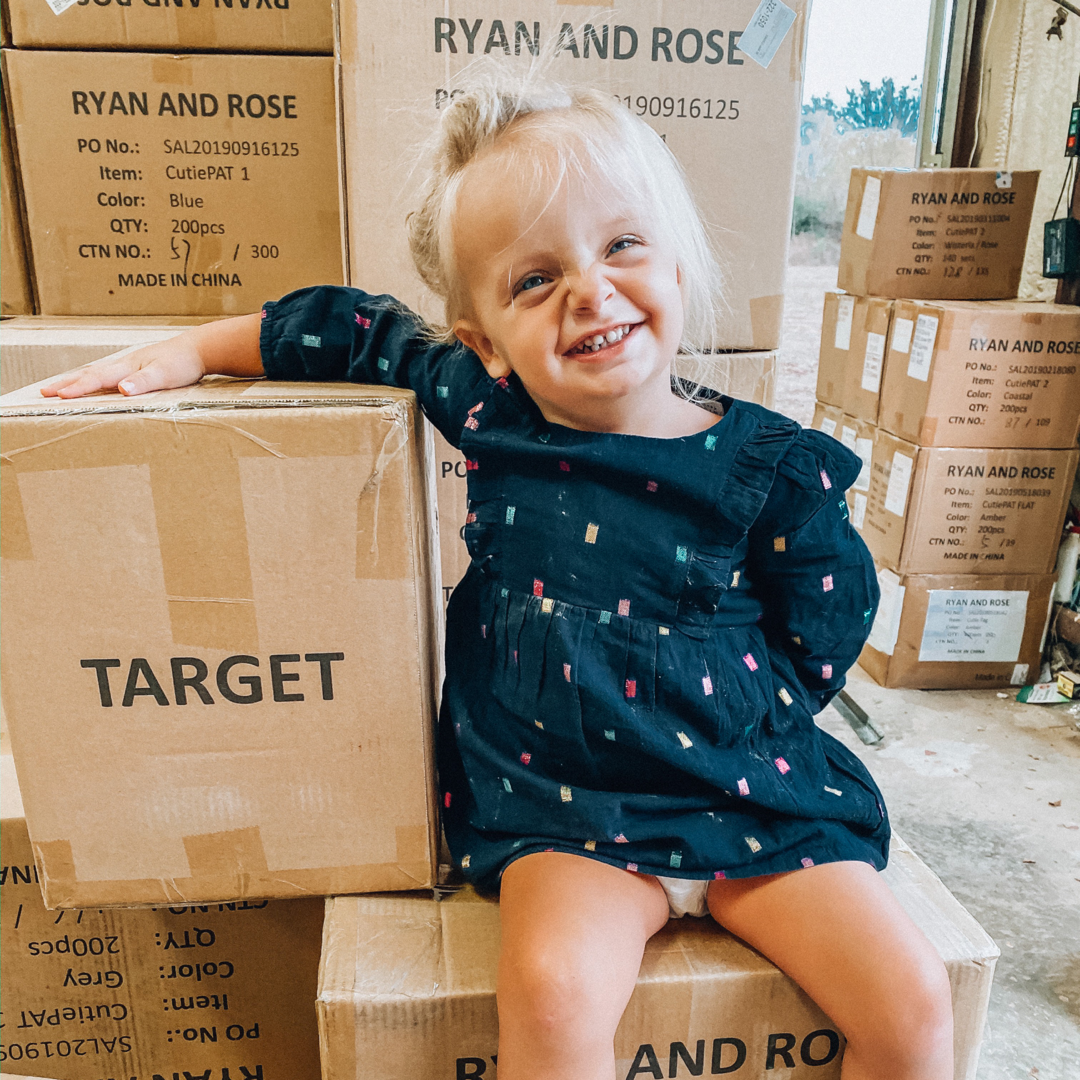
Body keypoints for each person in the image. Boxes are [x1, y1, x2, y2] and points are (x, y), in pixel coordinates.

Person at [46, 72, 954, 1080]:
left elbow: (829, 613)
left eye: (621, 245)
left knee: (912, 1002)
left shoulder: (768, 467)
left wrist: (747, 706)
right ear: (487, 344)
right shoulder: (492, 415)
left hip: (750, 790)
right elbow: (360, 333)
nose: (589, 289)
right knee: (554, 994)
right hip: (572, 807)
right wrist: (191, 351)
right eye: (534, 280)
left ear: (678, 262)